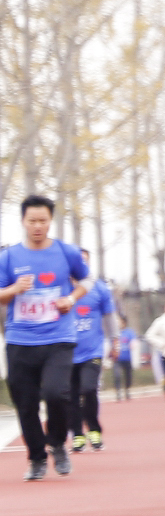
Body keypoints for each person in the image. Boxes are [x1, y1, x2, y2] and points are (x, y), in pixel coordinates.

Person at [2, 195, 95, 480]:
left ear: (50, 221)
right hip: (20, 340)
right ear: (23, 221)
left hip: (58, 337)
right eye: (32, 221)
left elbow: (88, 280)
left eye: (43, 220)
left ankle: (56, 442)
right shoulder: (9, 257)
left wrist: (71, 298)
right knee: (25, 403)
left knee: (56, 393)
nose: (38, 226)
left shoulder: (66, 252)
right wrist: (14, 289)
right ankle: (37, 458)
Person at [68, 262, 114, 453]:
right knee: (71, 395)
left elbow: (109, 316)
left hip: (92, 351)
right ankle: (77, 434)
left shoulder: (99, 288)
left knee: (88, 389)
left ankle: (94, 430)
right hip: (66, 352)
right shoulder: (61, 288)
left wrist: (115, 341)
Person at [113, 320, 138, 402]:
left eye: (120, 322)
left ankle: (127, 390)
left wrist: (133, 344)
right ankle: (118, 392)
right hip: (117, 358)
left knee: (128, 376)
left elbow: (134, 340)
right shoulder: (114, 332)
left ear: (124, 323)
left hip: (127, 358)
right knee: (117, 375)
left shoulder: (129, 332)